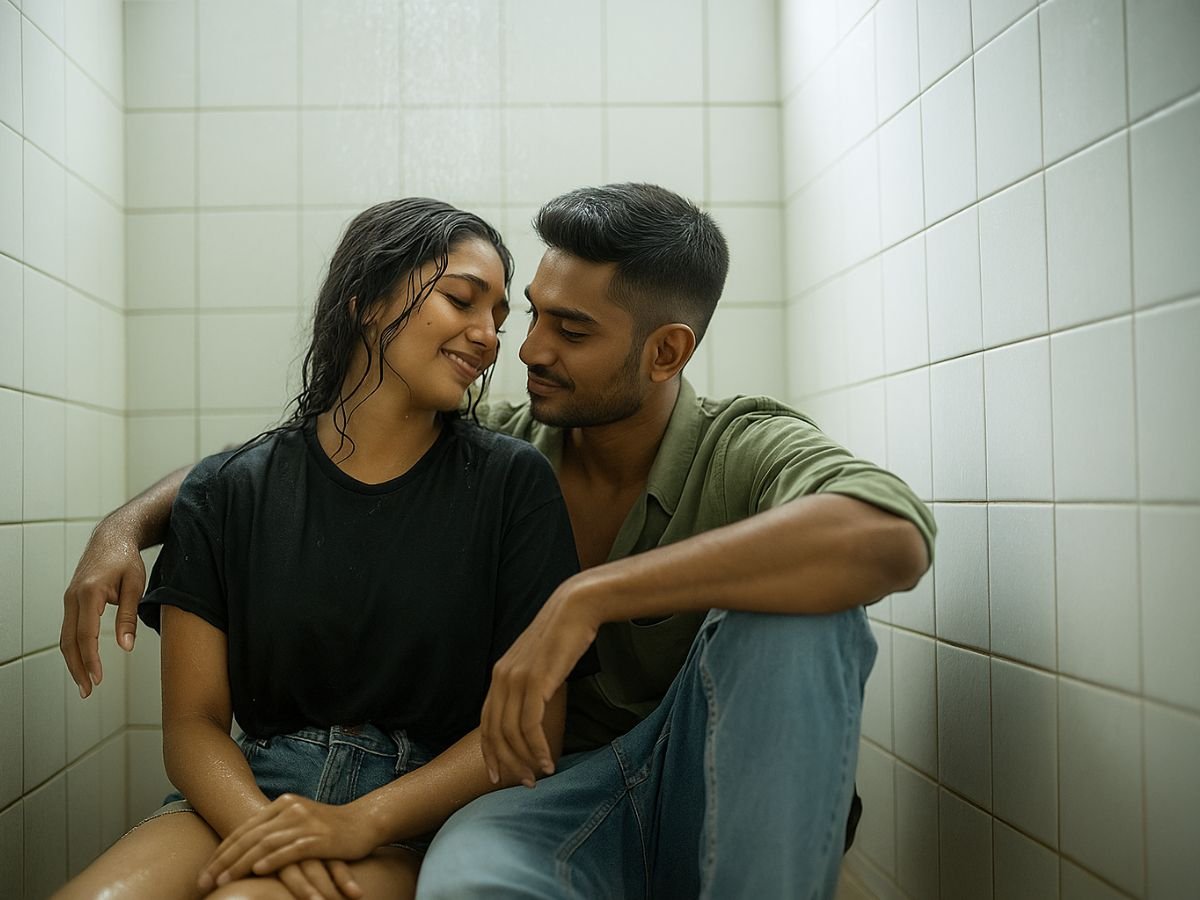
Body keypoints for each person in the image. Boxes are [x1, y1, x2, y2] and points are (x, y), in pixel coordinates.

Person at [61, 183, 935, 899]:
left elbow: (889, 538)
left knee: (802, 616)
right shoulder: (509, 444)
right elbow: (284, 470)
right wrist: (126, 525)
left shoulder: (735, 447)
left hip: (685, 778)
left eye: (571, 330)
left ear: (666, 352)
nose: (520, 349)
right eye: (532, 316)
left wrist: (587, 597)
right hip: (546, 799)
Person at [54, 198, 581, 900]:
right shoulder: (226, 489)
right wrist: (273, 837)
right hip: (248, 792)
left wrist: (360, 823)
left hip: (420, 813)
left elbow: (531, 729)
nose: (488, 337)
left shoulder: (513, 484)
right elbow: (192, 725)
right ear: (365, 303)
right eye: (462, 301)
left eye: (498, 319)